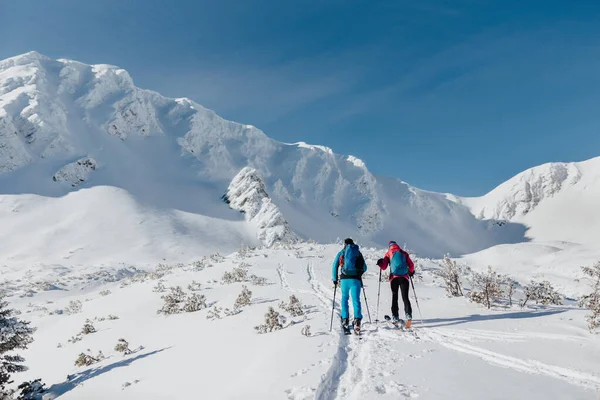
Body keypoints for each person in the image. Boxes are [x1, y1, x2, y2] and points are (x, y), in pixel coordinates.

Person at [376, 241, 415, 328]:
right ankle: (408, 315)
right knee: (405, 297)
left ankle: (395, 317)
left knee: (395, 297)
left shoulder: (388, 253)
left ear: (389, 246)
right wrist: (411, 272)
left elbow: (384, 267)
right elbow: (411, 265)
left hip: (394, 279)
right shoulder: (404, 253)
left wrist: (380, 263)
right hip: (404, 278)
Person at [332, 238, 367, 332]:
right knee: (356, 300)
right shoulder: (358, 253)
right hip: (355, 280)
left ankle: (345, 320)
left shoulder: (342, 253)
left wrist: (335, 279)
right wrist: (359, 274)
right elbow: (365, 267)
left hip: (344, 280)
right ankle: (357, 321)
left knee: (344, 298)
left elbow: (335, 265)